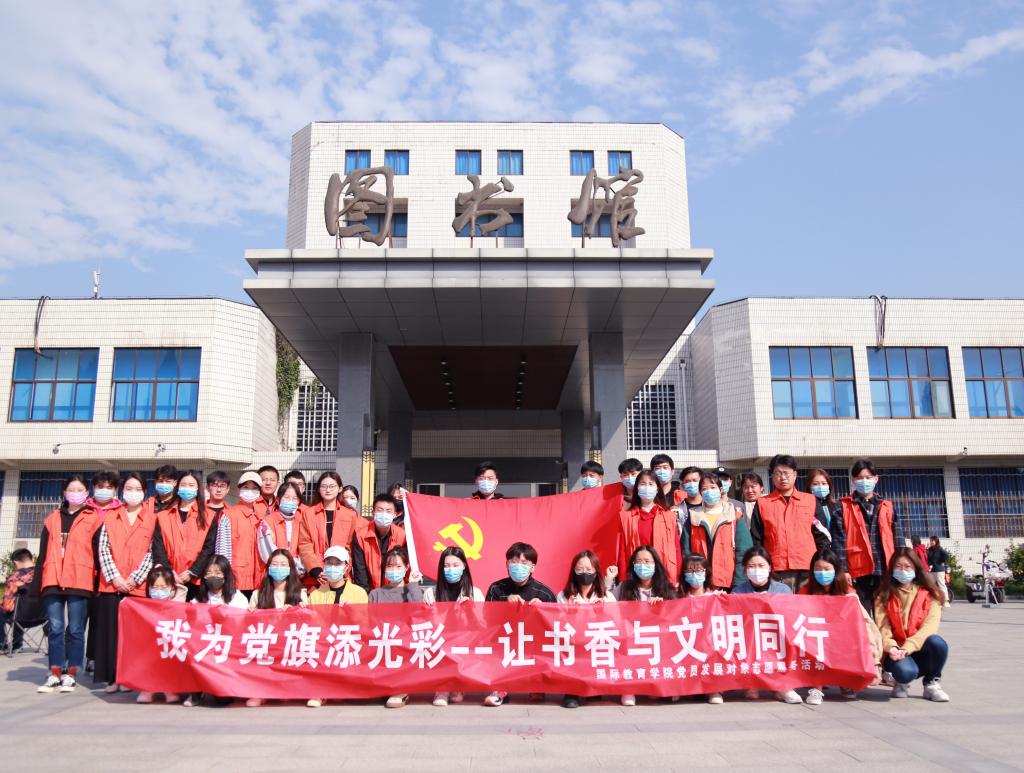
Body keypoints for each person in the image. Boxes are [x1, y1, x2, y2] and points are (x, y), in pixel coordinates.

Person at [30, 474, 102, 693]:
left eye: (80, 490)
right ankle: (54, 672)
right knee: (55, 627)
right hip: (52, 577)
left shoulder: (94, 518)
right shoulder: (52, 519)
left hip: (80, 579)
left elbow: (98, 553)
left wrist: (98, 583)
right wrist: (37, 584)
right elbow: (42, 553)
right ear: (64, 493)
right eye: (71, 489)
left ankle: (71, 672)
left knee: (76, 628)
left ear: (87, 493)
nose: (75, 493)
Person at [94, 471, 156, 693]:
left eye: (138, 489)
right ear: (121, 492)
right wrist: (116, 578)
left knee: (134, 636)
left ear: (145, 492)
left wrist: (134, 579)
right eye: (129, 489)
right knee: (111, 634)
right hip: (112, 585)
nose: (133, 493)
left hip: (137, 586)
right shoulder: (111, 517)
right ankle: (113, 678)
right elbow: (103, 549)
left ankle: (130, 677)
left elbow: (152, 552)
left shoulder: (152, 518)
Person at [798, 548, 882, 705]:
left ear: (836, 570)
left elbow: (865, 625)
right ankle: (816, 687)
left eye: (826, 569)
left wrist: (874, 661)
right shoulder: (805, 592)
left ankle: (846, 681)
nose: (822, 573)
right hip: (816, 639)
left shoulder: (848, 594)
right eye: (818, 569)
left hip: (840, 640)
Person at [483, 542, 556, 707]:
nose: (518, 566)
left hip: (532, 643)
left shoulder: (544, 593)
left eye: (524, 563)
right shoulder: (496, 588)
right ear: (507, 564)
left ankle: (537, 684)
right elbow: (487, 619)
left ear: (533, 567)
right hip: (504, 641)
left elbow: (555, 628)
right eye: (514, 562)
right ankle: (500, 689)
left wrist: (543, 610)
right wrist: (504, 604)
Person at [875, 548, 950, 702]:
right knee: (905, 672)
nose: (903, 570)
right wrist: (892, 647)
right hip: (896, 650)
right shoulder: (883, 595)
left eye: (907, 566)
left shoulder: (932, 594)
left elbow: (930, 627)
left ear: (916, 567)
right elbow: (883, 626)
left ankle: (931, 683)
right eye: (898, 566)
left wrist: (908, 647)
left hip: (919, 646)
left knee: (937, 643)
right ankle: (901, 681)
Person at [731, 546, 802, 704]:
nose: (756, 570)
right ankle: (751, 682)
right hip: (750, 639)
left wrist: (770, 603)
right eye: (751, 566)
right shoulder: (737, 592)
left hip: (775, 638)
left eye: (761, 566)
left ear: (769, 567)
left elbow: (791, 618)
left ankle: (783, 685)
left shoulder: (782, 590)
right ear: (745, 570)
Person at [750, 454, 829, 591]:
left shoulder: (810, 501)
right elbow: (756, 539)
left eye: (786, 473)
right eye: (778, 473)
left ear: (795, 475)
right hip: (776, 570)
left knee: (806, 605)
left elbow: (822, 536)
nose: (783, 477)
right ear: (772, 476)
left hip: (807, 568)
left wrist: (822, 564)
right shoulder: (763, 503)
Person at [610, 546, 676, 707]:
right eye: (638, 561)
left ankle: (661, 685)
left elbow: (677, 615)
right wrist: (609, 580)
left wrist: (663, 607)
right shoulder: (624, 587)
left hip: (658, 638)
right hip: (631, 637)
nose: (643, 565)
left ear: (655, 564)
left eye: (647, 561)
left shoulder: (667, 589)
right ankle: (628, 688)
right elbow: (608, 604)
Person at [307, 545, 369, 708]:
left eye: (337, 563)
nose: (332, 567)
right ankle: (321, 691)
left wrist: (351, 613)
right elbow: (312, 625)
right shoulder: (315, 595)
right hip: (324, 643)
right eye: (329, 563)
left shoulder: (359, 593)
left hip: (348, 643)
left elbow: (364, 626)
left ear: (346, 567)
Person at [246, 549, 308, 707]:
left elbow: (307, 624)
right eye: (274, 564)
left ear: (290, 568)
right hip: (267, 642)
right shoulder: (258, 594)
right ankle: (260, 692)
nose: (278, 568)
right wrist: (251, 615)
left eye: (283, 564)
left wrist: (298, 612)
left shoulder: (300, 593)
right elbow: (249, 625)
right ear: (268, 568)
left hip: (289, 642)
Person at [841, 459, 905, 610]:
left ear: (876, 479)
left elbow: (898, 539)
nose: (864, 481)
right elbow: (839, 542)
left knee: (885, 614)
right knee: (861, 615)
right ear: (853, 480)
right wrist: (844, 570)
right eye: (860, 478)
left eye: (868, 477)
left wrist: (901, 565)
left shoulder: (887, 506)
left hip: (884, 569)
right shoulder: (843, 506)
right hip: (858, 571)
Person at [423, 546, 482, 707]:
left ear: (464, 566)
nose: (451, 569)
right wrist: (428, 612)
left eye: (456, 565)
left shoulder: (475, 593)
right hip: (440, 642)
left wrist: (471, 611)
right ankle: (442, 687)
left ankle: (458, 685)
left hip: (466, 642)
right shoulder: (431, 593)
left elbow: (483, 628)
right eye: (447, 566)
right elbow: (427, 625)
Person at [558, 550, 616, 709]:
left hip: (597, 644)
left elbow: (616, 624)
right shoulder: (563, 596)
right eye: (580, 569)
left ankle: (594, 686)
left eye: (589, 569)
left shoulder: (606, 597)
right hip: (573, 644)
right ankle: (571, 691)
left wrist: (600, 614)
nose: (585, 573)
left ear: (596, 572)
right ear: (573, 571)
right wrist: (572, 615)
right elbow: (557, 626)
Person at [369, 547, 424, 708]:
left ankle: (400, 689)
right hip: (382, 643)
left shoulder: (411, 590)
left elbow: (419, 613)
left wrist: (413, 585)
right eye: (390, 566)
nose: (394, 570)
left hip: (406, 643)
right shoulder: (376, 594)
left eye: (398, 566)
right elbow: (370, 623)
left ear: (406, 568)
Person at [151, 470, 219, 600]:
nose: (187, 488)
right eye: (183, 485)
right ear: (177, 487)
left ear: (198, 488)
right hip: (168, 580)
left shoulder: (209, 516)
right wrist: (169, 571)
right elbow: (158, 546)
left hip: (196, 580)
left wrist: (192, 572)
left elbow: (209, 548)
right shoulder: (163, 515)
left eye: (191, 485)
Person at [680, 471, 752, 590]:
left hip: (729, 583)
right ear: (700, 493)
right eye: (704, 489)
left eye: (713, 487)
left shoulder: (734, 516)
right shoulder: (693, 517)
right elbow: (686, 552)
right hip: (700, 583)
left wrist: (739, 582)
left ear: (720, 490)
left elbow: (744, 552)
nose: (709, 492)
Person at [616, 469, 680, 585]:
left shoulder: (669, 516)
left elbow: (676, 549)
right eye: (642, 484)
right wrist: (623, 579)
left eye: (651, 484)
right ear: (637, 488)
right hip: (636, 574)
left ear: (657, 489)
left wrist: (677, 578)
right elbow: (622, 552)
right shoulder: (626, 517)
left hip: (663, 575)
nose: (647, 487)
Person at [679, 554, 726, 704]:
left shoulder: (715, 596)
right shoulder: (678, 596)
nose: (694, 575)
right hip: (686, 641)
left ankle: (714, 690)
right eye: (690, 571)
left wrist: (724, 600)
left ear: (706, 572)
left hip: (709, 641)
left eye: (699, 570)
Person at [299, 472, 359, 588]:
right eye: (324, 486)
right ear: (318, 489)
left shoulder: (349, 515)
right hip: (316, 576)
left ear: (340, 489)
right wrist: (315, 569)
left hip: (341, 573)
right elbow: (305, 544)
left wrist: (344, 568)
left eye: (332, 486)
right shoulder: (308, 514)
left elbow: (350, 546)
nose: (328, 490)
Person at [135, 566, 182, 705]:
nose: (159, 591)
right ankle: (148, 688)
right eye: (154, 587)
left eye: (163, 587)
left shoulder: (178, 607)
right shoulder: (143, 608)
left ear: (172, 588)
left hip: (169, 649)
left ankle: (169, 688)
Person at [218, 471, 265, 598]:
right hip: (236, 580)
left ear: (260, 492)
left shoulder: (263, 517)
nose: (250, 491)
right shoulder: (228, 515)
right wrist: (225, 577)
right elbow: (222, 552)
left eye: (254, 488)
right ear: (239, 490)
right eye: (246, 487)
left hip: (260, 579)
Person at [351, 494, 407, 591]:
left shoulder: (402, 535)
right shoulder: (361, 536)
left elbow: (405, 566)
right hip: (370, 592)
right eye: (380, 510)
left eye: (388, 511)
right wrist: (366, 595)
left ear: (395, 514)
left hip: (395, 590)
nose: (384, 514)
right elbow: (360, 570)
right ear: (373, 512)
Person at [257, 481, 305, 575]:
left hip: (297, 573)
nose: (290, 501)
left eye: (295, 498)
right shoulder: (267, 521)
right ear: (278, 499)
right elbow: (266, 548)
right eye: (286, 497)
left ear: (299, 502)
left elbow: (305, 548)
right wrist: (281, 565)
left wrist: (297, 568)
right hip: (275, 571)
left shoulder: (302, 521)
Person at [806, 468, 848, 572]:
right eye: (815, 484)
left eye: (824, 483)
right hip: (817, 556)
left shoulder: (837, 506)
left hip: (838, 554)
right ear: (809, 486)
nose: (820, 487)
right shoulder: (806, 507)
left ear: (829, 486)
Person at [1, 549, 35, 653]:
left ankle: (2, 644)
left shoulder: (15, 578)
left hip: (21, 617)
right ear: (31, 559)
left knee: (9, 610)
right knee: (17, 609)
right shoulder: (44, 575)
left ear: (15, 562)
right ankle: (17, 644)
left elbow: (7, 606)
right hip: (43, 617)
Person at [927, 536, 951, 608]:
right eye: (931, 540)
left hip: (939, 570)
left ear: (936, 541)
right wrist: (927, 549)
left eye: (933, 541)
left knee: (941, 585)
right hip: (931, 570)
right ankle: (933, 601)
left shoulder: (939, 549)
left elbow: (946, 555)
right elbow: (927, 557)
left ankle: (945, 601)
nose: (931, 542)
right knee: (931, 586)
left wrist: (941, 561)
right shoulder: (929, 549)